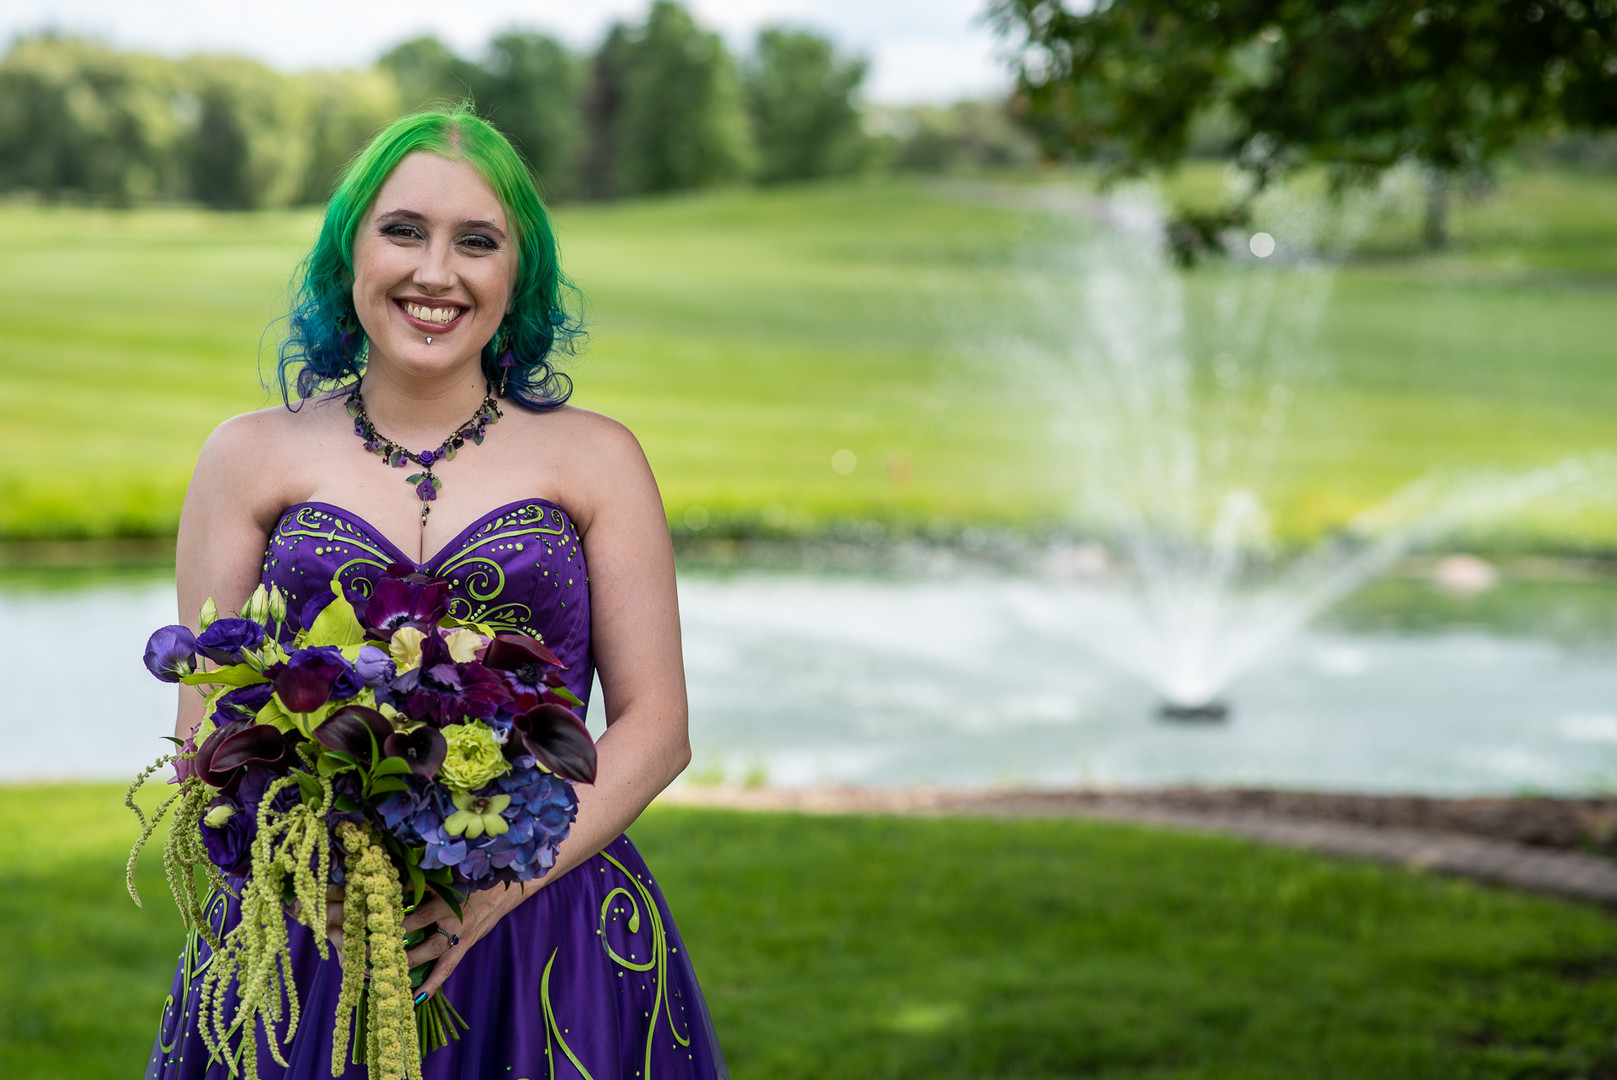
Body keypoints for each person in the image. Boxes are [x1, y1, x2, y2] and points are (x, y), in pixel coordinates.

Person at [145, 105, 728, 1079]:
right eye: (403, 230)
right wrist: (318, 877)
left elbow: (657, 726)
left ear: (518, 272)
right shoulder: (246, 457)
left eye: (477, 241)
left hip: (553, 925)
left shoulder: (599, 459)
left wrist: (500, 886)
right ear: (349, 250)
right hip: (309, 941)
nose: (435, 271)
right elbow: (202, 737)